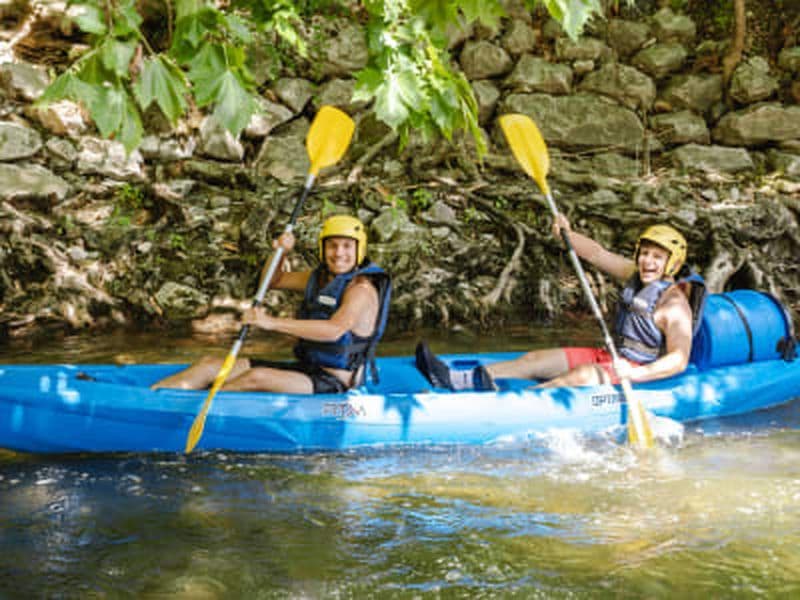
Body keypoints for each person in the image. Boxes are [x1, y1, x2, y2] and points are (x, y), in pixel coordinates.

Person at [416, 215, 705, 390]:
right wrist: (566, 233)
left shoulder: (675, 305)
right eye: (645, 253)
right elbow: (596, 253)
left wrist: (636, 373)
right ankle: (456, 380)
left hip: (632, 368)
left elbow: (678, 360)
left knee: (578, 376)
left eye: (657, 257)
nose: (647, 261)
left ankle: (525, 400)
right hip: (609, 356)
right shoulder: (634, 274)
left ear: (672, 263)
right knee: (534, 359)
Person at [153, 215, 391, 394]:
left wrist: (270, 323)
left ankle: (187, 412)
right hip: (307, 367)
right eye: (333, 245)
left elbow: (334, 330)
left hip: (337, 380)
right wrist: (280, 253)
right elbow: (273, 281)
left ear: (359, 249)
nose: (339, 253)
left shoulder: (361, 289)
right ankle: (150, 399)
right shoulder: (318, 278)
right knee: (209, 365)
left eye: (347, 246)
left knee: (256, 377)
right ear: (323, 248)